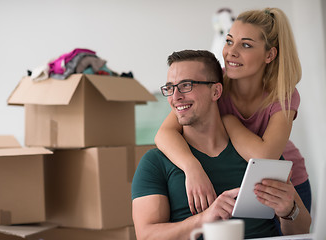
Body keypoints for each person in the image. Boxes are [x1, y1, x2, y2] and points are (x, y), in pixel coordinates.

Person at [131, 50, 311, 240]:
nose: (175, 97)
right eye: (170, 88)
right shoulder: (155, 163)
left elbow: (302, 230)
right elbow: (146, 236)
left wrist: (289, 211)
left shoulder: (255, 155)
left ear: (216, 91)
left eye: (186, 85)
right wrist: (203, 220)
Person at [154, 7, 311, 217]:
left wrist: (229, 122)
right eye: (229, 41)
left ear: (270, 54)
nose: (231, 52)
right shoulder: (214, 84)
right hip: (234, 178)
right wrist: (193, 168)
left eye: (245, 44)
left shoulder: (283, 94)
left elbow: (265, 158)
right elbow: (164, 134)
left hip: (281, 182)